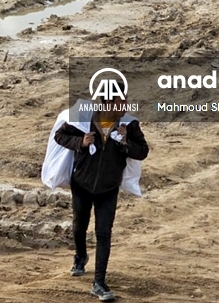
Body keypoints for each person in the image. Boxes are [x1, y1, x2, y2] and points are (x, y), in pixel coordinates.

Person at [54, 95, 150, 302]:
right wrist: (80, 142)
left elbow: (143, 151)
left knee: (103, 233)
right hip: (82, 184)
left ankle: (99, 283)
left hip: (109, 188)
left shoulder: (129, 125)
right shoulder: (82, 118)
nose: (125, 106)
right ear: (106, 103)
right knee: (80, 225)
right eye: (120, 102)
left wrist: (126, 143)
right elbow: (59, 135)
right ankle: (80, 256)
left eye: (126, 101)